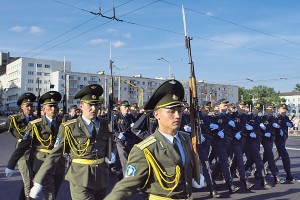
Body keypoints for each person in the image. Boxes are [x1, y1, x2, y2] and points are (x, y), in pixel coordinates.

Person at [104, 79, 203, 200]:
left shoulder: (186, 139)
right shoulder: (144, 150)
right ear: (157, 115)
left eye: (179, 110)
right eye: (171, 111)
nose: (177, 115)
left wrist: (198, 173)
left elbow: (192, 163)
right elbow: (124, 188)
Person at [29, 84, 115, 200]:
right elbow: (54, 155)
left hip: (101, 177)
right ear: (81, 106)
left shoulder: (105, 124)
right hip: (80, 178)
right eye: (90, 104)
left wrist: (112, 153)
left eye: (96, 104)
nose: (94, 108)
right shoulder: (69, 127)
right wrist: (39, 180)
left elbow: (111, 142)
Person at [5, 91, 65, 200]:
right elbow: (23, 145)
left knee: (53, 190)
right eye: (50, 106)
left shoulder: (63, 123)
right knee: (34, 185)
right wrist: (11, 164)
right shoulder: (32, 123)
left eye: (55, 106)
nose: (53, 109)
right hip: (38, 159)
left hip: (58, 163)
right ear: (44, 108)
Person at [1, 93, 37, 200]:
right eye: (27, 106)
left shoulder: (37, 119)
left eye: (31, 106)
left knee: (33, 180)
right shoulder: (14, 119)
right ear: (22, 106)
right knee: (28, 180)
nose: (30, 108)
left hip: (35, 152)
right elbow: (2, 127)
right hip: (22, 153)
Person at [244, 103, 271, 189]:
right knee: (257, 160)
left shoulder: (259, 119)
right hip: (248, 142)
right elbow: (242, 128)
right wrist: (248, 131)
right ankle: (263, 180)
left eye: (259, 109)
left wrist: (264, 131)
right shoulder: (247, 117)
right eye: (256, 108)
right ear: (252, 109)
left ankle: (242, 171)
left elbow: (260, 130)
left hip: (256, 142)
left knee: (251, 160)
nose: (257, 110)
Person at [114, 100, 142, 176]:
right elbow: (112, 128)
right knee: (124, 159)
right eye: (125, 107)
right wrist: (118, 134)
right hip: (120, 142)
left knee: (131, 159)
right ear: (120, 108)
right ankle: (126, 177)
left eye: (128, 107)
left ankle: (123, 173)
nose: (127, 108)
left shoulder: (131, 117)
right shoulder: (116, 117)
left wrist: (134, 126)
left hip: (129, 141)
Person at [260, 104, 284, 185]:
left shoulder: (274, 118)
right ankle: (276, 176)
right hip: (265, 139)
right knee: (270, 156)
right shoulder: (263, 118)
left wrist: (279, 129)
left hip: (271, 139)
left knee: (266, 157)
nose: (273, 110)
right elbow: (258, 128)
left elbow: (276, 127)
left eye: (273, 108)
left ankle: (257, 170)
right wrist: (264, 132)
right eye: (271, 108)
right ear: (266, 109)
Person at [273, 103, 297, 181]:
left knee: (277, 155)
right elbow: (272, 126)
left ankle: (265, 167)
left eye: (285, 109)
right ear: (278, 109)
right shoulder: (276, 117)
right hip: (278, 139)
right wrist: (278, 129)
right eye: (283, 109)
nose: (284, 110)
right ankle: (288, 174)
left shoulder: (286, 117)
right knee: (285, 156)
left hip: (284, 138)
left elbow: (291, 124)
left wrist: (290, 124)